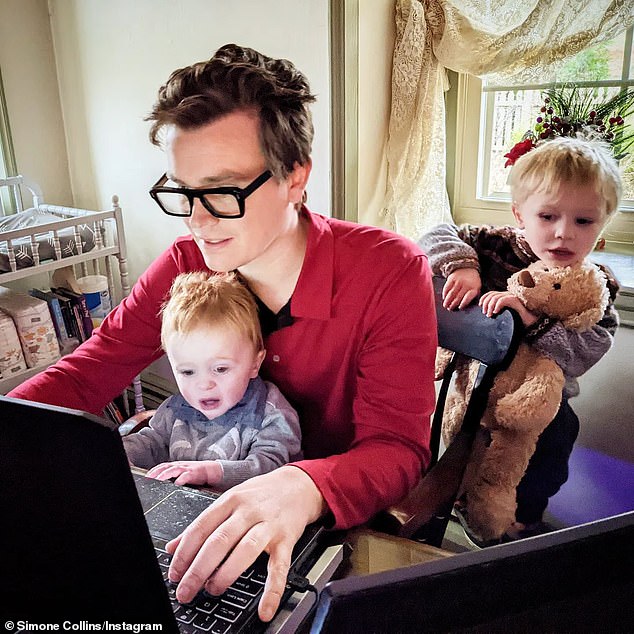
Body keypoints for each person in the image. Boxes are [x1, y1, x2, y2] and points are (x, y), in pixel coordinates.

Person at [9, 43, 437, 620]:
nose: (196, 218)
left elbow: (397, 449)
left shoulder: (388, 270)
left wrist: (302, 486)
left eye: (222, 190)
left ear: (294, 176)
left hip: (326, 528)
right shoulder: (187, 261)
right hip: (200, 509)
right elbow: (90, 370)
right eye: (182, 191)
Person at [419, 135, 621, 544]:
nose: (563, 234)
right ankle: (459, 499)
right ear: (519, 214)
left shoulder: (596, 284)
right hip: (468, 384)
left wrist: (531, 321)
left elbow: (590, 347)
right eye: (548, 216)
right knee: (455, 444)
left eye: (583, 221)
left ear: (601, 228)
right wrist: (463, 267)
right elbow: (434, 235)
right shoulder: (493, 244)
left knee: (556, 439)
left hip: (537, 399)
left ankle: (523, 516)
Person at [123, 271, 302, 489]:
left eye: (220, 369)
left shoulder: (270, 414)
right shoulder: (175, 410)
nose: (204, 384)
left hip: (247, 516)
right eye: (188, 372)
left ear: (255, 364)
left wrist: (211, 472)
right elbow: (152, 441)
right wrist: (121, 452)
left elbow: (272, 469)